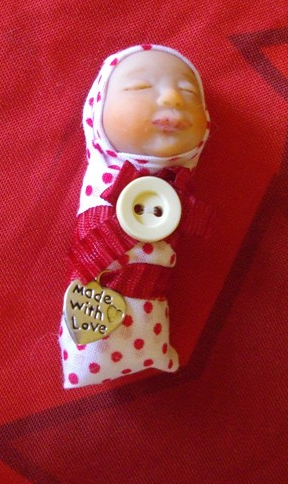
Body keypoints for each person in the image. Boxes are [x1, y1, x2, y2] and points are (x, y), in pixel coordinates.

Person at [59, 44, 210, 388]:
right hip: (95, 291)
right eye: (140, 87)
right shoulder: (106, 178)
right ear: (96, 111)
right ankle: (87, 356)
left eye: (189, 93)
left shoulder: (179, 193)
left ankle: (150, 347)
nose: (172, 97)